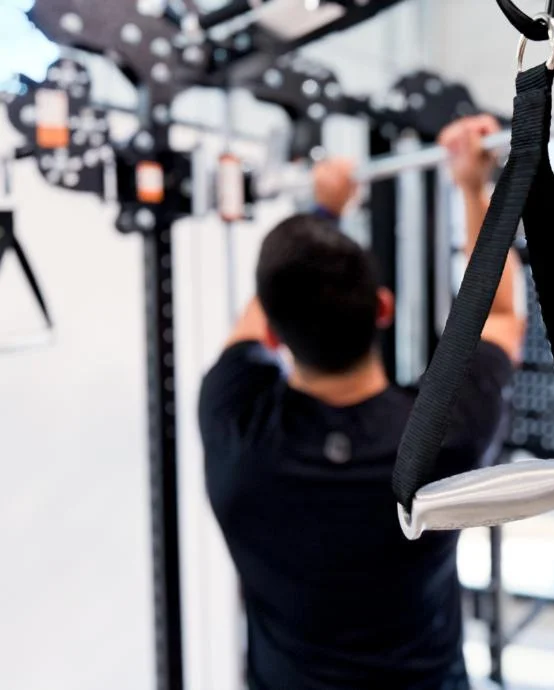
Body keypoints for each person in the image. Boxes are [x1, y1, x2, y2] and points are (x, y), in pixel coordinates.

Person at [198, 114, 525, 690]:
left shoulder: (234, 423)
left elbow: (262, 312)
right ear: (383, 308)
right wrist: (472, 186)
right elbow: (498, 314)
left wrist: (325, 210)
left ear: (275, 337)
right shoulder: (442, 440)